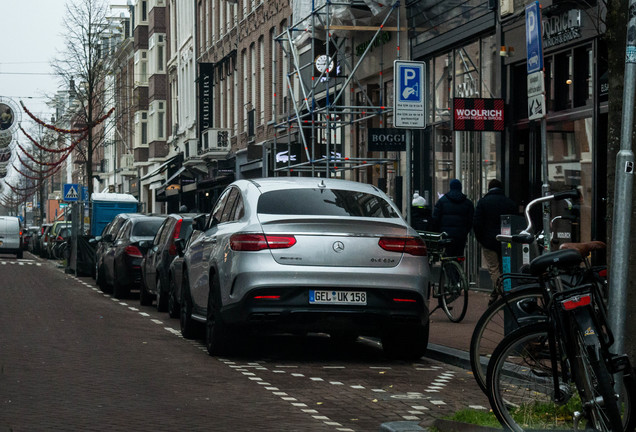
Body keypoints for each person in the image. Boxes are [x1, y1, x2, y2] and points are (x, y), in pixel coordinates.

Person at [473, 179, 517, 299]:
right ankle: (500, 292)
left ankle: (501, 292)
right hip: (506, 241)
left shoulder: (483, 203)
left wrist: (481, 239)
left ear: (489, 188)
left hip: (488, 241)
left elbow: (477, 223)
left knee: (494, 268)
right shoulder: (510, 203)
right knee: (505, 268)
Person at [431, 179, 474, 258]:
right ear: (460, 188)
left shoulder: (441, 201)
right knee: (458, 256)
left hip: (446, 236)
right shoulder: (468, 203)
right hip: (461, 236)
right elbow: (470, 221)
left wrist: (438, 232)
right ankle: (457, 268)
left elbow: (435, 219)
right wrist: (464, 231)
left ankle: (447, 269)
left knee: (447, 256)